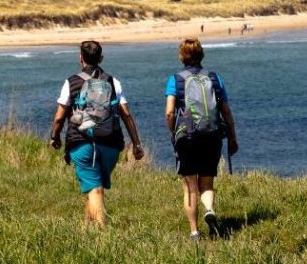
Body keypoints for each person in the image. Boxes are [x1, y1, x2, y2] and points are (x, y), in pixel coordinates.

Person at [50, 40, 145, 227]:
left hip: (81, 143)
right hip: (110, 144)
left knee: (95, 190)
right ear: (101, 58)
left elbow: (60, 117)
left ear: (80, 58)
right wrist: (136, 144)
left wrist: (55, 136)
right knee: (96, 188)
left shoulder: (71, 82)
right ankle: (87, 229)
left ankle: (102, 235)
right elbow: (126, 115)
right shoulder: (113, 81)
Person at [165, 38, 239, 240]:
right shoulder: (214, 78)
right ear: (202, 55)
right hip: (212, 135)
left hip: (187, 136)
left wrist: (173, 133)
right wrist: (233, 136)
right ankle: (209, 209)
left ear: (182, 56)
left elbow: (170, 112)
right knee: (207, 182)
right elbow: (226, 110)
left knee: (189, 186)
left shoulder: (176, 79)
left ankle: (194, 231)